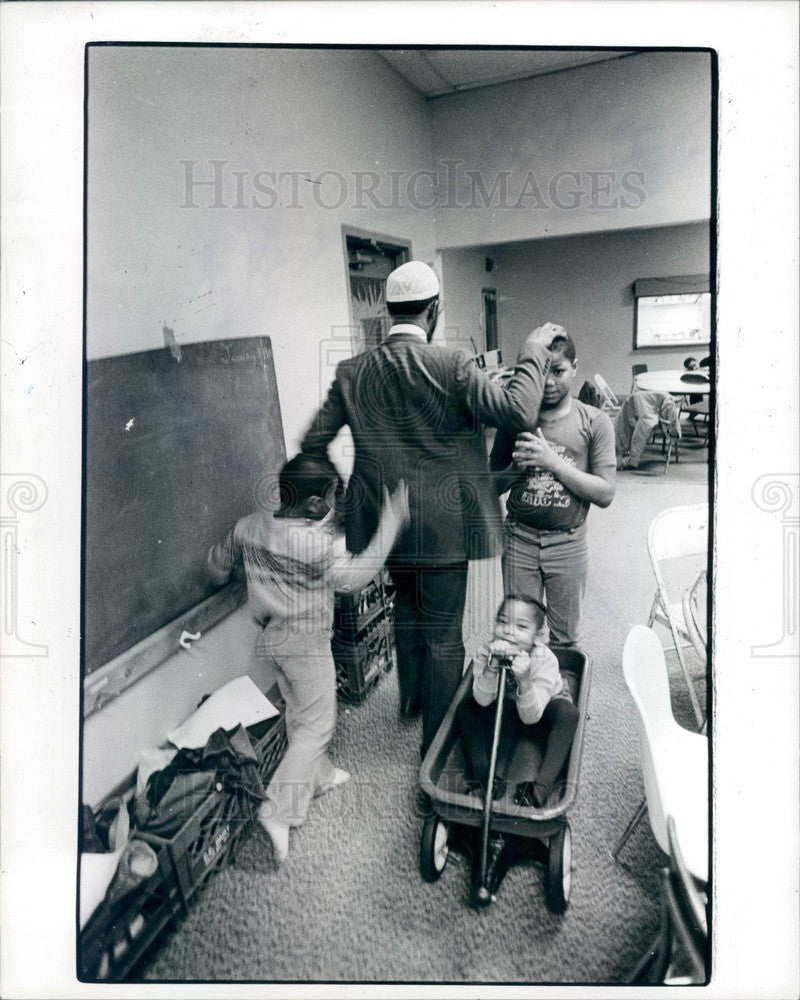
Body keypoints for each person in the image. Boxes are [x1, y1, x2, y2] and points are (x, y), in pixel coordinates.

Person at [301, 259, 562, 761]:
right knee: (444, 636)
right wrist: (532, 353)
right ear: (434, 310)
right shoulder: (455, 364)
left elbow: (312, 442)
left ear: (388, 309)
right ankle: (434, 756)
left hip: (386, 530)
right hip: (445, 530)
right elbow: (518, 411)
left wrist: (353, 500)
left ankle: (413, 702)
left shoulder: (352, 371)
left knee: (407, 608)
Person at [207, 453, 409, 863]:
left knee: (301, 712)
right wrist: (391, 523)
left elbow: (215, 567)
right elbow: (356, 576)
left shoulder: (248, 526)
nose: (333, 507)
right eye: (332, 499)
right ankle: (279, 811)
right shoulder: (317, 546)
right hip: (306, 643)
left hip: (270, 639)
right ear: (316, 505)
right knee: (319, 723)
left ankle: (316, 776)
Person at [489, 334, 616, 650]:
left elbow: (605, 493)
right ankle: (526, 696)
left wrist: (553, 463)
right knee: (517, 636)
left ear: (574, 368)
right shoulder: (515, 420)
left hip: (567, 544)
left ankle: (558, 698)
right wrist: (515, 470)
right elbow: (490, 485)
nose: (547, 382)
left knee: (564, 640)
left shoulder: (595, 422)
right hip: (520, 539)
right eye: (541, 371)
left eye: (557, 371)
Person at [456, 594, 579, 903]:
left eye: (521, 627)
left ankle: (540, 788)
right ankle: (484, 776)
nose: (508, 632)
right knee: (466, 707)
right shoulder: (487, 652)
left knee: (568, 715)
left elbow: (532, 715)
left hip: (538, 708)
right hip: (504, 707)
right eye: (502, 622)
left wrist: (523, 679)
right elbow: (483, 700)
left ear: (538, 637)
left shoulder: (545, 660)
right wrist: (491, 670)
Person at [614, 389, 681, 470]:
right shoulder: (669, 402)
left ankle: (625, 460)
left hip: (639, 401)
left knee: (626, 428)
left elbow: (666, 417)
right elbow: (664, 418)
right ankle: (631, 461)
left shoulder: (668, 401)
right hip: (639, 402)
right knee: (637, 431)